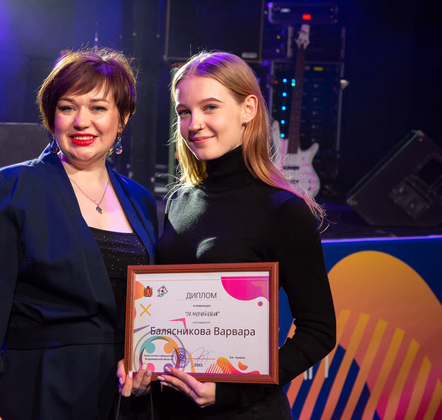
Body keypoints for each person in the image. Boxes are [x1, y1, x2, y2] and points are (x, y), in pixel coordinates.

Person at [0, 48, 159, 420]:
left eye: (98, 108)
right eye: (67, 107)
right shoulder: (12, 187)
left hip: (123, 402)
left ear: (122, 118)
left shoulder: (139, 200)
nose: (81, 121)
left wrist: (144, 366)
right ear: (51, 116)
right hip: (40, 391)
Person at [120, 51, 337, 418]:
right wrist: (140, 364)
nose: (194, 124)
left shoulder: (282, 209)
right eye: (184, 112)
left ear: (248, 108)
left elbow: (319, 331)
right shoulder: (178, 202)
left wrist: (234, 392)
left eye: (210, 107)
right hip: (172, 409)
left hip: (245, 412)